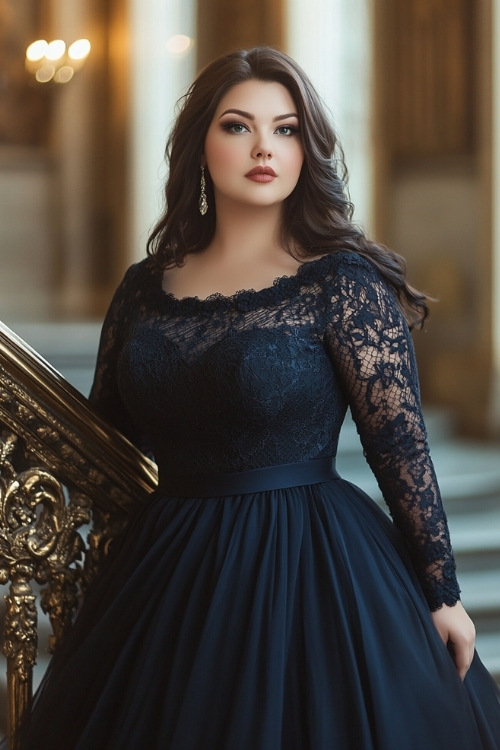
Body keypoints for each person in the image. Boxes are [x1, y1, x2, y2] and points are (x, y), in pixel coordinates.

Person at [19, 46, 500, 750]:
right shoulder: (142, 289)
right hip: (166, 571)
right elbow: (107, 437)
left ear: (308, 147)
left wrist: (444, 593)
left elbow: (400, 447)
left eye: (286, 129)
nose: (264, 148)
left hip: (310, 562)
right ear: (199, 145)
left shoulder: (341, 283)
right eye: (238, 127)